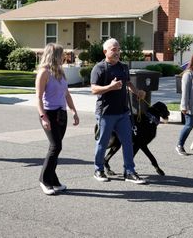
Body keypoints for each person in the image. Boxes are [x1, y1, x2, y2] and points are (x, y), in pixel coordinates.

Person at [90, 38, 147, 184]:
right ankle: (99, 169)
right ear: (105, 51)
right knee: (103, 143)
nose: (117, 52)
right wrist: (110, 87)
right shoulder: (99, 68)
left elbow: (127, 83)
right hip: (106, 113)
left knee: (128, 142)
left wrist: (137, 92)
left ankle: (129, 171)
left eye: (118, 49)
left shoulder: (123, 67)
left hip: (122, 112)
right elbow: (94, 89)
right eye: (113, 49)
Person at [36, 43, 79, 195]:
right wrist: (43, 117)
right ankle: (44, 180)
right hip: (49, 113)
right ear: (54, 55)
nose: (64, 57)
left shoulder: (60, 71)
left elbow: (66, 94)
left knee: (57, 147)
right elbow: (39, 98)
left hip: (62, 114)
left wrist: (73, 110)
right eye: (62, 54)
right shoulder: (44, 73)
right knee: (55, 146)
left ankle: (53, 180)